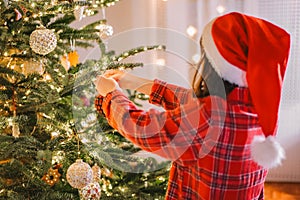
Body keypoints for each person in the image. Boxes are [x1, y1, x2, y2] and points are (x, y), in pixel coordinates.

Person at [94, 12, 290, 200]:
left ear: (216, 64)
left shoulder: (209, 117)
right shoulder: (255, 106)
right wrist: (136, 82)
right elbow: (191, 102)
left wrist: (111, 95)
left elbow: (144, 128)